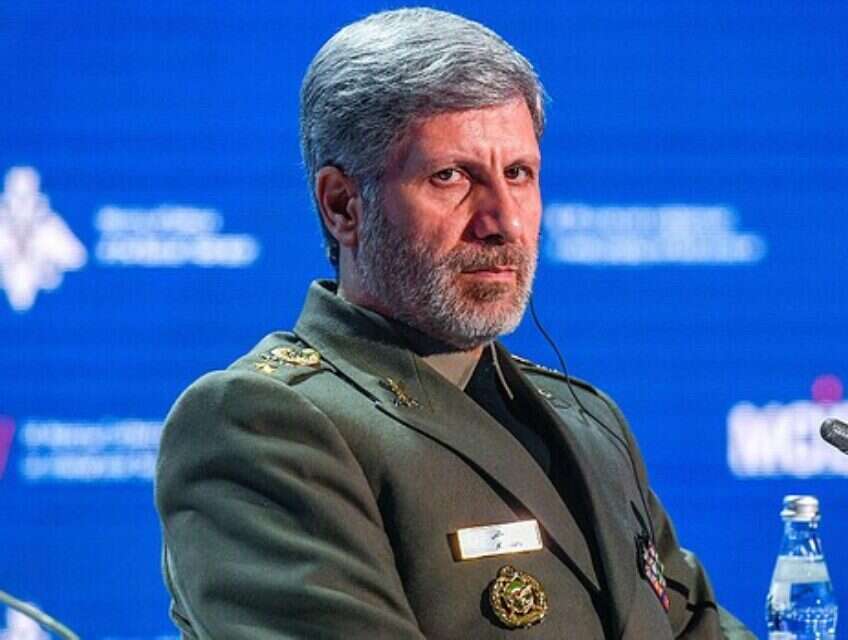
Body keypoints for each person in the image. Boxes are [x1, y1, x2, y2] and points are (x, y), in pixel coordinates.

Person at [155, 8, 756, 639]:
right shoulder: (262, 423)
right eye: (451, 177)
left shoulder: (589, 419)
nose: (504, 222)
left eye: (518, 174)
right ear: (342, 206)